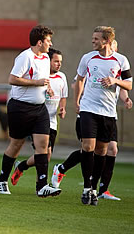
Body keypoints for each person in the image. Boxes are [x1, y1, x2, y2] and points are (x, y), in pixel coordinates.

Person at [51, 39, 132, 201]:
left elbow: (124, 87)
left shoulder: (119, 62)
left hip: (109, 113)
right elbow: (77, 82)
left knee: (111, 150)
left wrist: (125, 99)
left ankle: (102, 189)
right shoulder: (90, 59)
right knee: (88, 149)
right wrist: (79, 101)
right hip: (87, 111)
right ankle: (65, 171)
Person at [0, 25, 61, 197]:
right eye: (48, 40)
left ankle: (41, 186)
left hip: (40, 109)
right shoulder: (25, 57)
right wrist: (37, 83)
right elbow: (12, 79)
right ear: (39, 42)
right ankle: (2, 179)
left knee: (43, 146)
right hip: (20, 107)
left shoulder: (46, 58)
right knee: (16, 145)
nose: (50, 43)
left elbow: (43, 81)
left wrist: (47, 88)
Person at [10, 48, 67, 185]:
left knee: (46, 156)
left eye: (60, 62)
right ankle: (40, 185)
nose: (58, 64)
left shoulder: (62, 77)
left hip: (52, 121)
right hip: (37, 118)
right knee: (42, 153)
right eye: (56, 61)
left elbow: (63, 97)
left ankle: (22, 166)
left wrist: (62, 108)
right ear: (49, 61)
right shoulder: (40, 76)